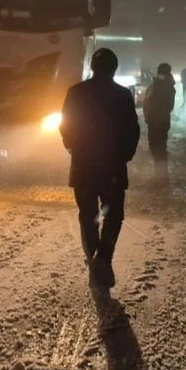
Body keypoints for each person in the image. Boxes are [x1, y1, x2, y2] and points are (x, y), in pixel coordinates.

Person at [60, 48, 141, 288]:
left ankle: (94, 258)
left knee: (88, 215)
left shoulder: (76, 92)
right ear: (114, 69)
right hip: (112, 167)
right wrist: (125, 156)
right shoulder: (123, 95)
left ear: (93, 68)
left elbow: (66, 126)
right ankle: (103, 259)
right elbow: (132, 130)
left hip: (83, 165)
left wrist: (73, 147)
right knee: (114, 215)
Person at [141, 62, 177, 185]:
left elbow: (165, 105)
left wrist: (151, 115)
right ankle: (161, 175)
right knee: (158, 148)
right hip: (158, 121)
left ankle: (161, 177)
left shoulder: (162, 87)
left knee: (158, 148)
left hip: (158, 122)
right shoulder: (163, 86)